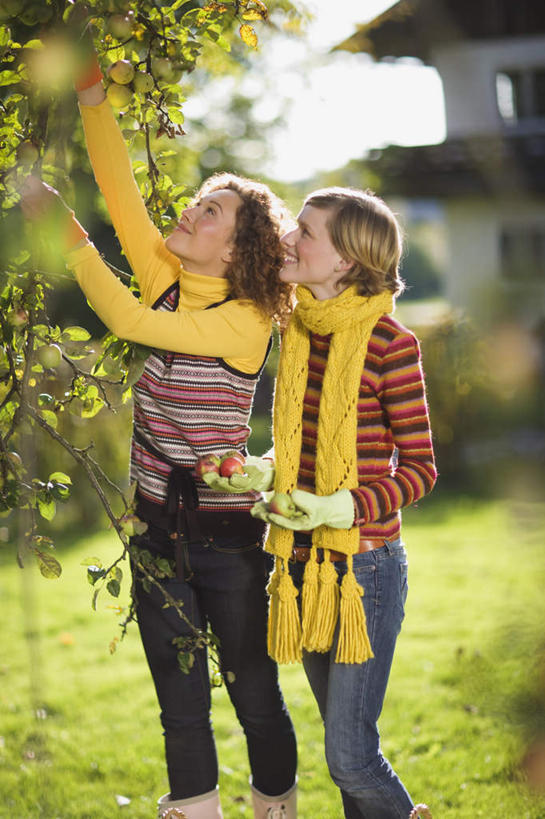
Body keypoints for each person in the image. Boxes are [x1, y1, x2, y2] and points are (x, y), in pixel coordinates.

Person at [20, 51, 298, 819]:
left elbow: (133, 323)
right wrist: (89, 94)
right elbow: (117, 181)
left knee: (254, 698)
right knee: (180, 704)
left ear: (237, 248)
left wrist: (73, 240)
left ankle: (277, 806)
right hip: (155, 533)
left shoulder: (243, 320)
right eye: (199, 200)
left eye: (211, 211)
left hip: (227, 539)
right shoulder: (164, 268)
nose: (190, 211)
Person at [246, 187, 437, 818]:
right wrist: (259, 472)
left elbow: (419, 469)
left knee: (350, 759)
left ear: (346, 261)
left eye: (306, 233)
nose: (289, 241)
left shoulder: (390, 343)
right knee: (348, 749)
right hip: (303, 568)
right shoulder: (296, 330)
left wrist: (340, 508)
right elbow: (301, 450)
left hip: (363, 572)